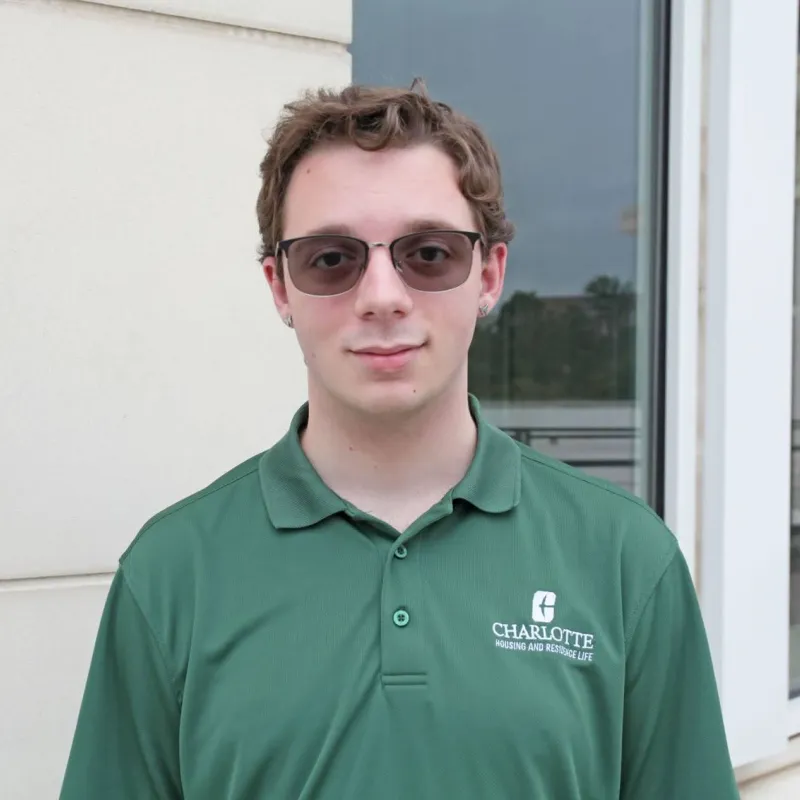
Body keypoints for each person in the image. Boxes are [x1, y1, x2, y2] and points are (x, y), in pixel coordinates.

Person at [60, 81, 739, 799]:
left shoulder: (626, 559)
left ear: (490, 274)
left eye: (428, 253)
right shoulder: (173, 574)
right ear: (280, 287)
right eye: (332, 258)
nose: (382, 295)